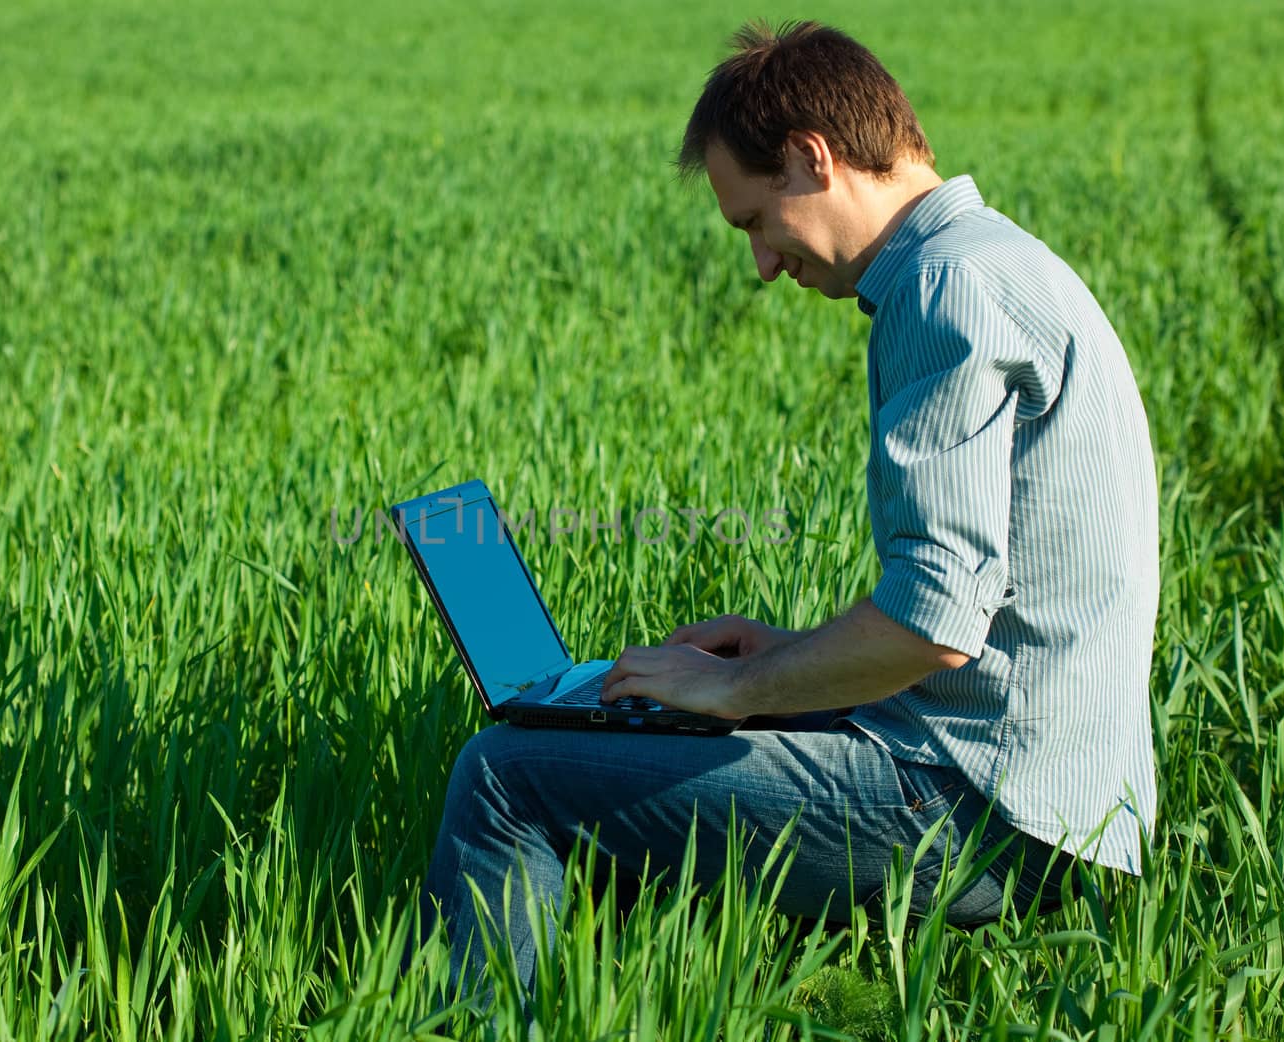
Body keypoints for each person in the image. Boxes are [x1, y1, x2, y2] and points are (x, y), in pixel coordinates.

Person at [418, 20, 1158, 999]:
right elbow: (971, 616)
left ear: (813, 157)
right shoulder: (999, 263)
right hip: (1034, 791)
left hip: (974, 812)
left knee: (508, 775)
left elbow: (936, 621)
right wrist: (775, 656)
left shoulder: (947, 291)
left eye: (755, 221)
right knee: (611, 749)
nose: (764, 264)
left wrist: (739, 692)